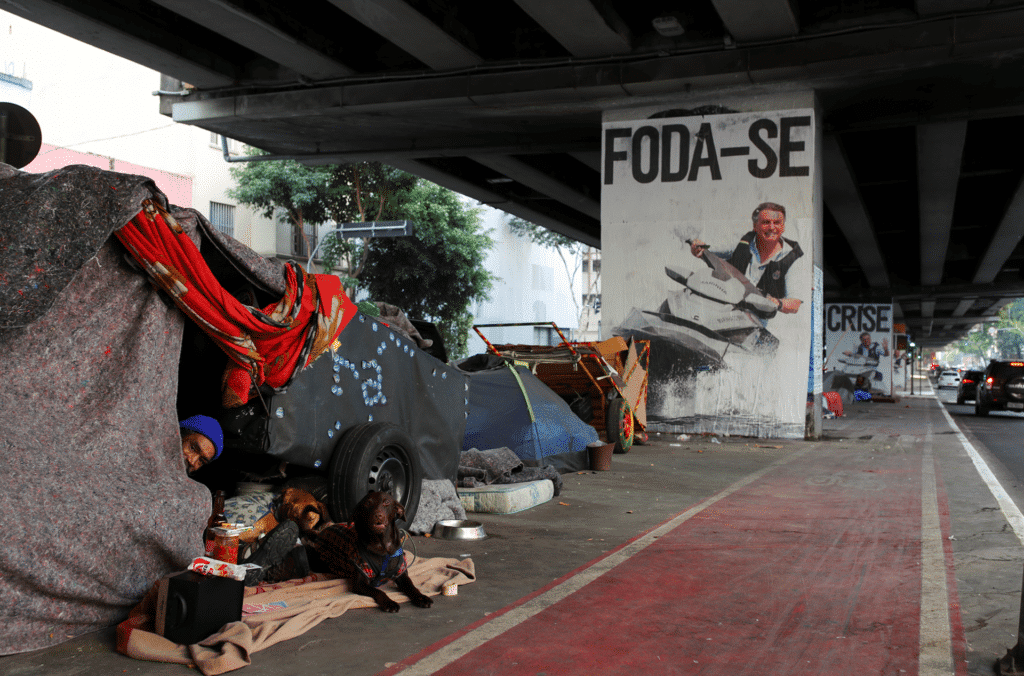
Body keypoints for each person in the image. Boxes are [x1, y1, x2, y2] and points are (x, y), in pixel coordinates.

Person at [689, 202, 803, 315]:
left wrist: (777, 303)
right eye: (766, 222)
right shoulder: (743, 243)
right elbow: (711, 248)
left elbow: (795, 303)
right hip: (729, 311)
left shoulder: (793, 257)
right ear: (755, 226)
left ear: (783, 227)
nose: (772, 227)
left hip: (763, 322)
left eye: (777, 223)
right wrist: (700, 247)